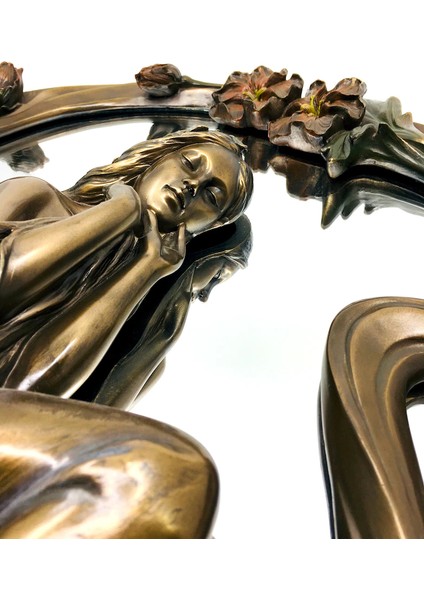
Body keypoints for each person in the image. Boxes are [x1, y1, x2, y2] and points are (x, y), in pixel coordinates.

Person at [0, 129, 253, 398]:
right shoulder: (34, 196)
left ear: (208, 226)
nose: (193, 185)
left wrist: (146, 269)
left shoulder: (125, 296)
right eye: (189, 163)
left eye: (211, 197)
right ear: (157, 158)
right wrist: (120, 210)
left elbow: (28, 390)